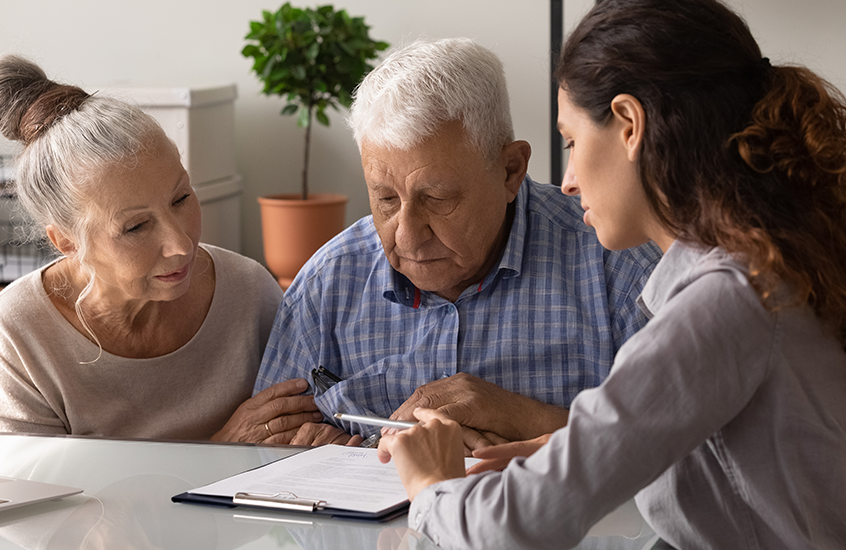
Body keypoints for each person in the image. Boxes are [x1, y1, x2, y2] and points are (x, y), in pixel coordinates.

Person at [376, 1, 846, 548]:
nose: (567, 180)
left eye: (571, 142)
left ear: (628, 124)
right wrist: (567, 449)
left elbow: (507, 530)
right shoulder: (764, 274)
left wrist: (430, 483)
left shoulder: (726, 301)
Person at [252, 38, 661, 447]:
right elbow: (258, 456)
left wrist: (523, 418)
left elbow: (681, 454)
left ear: (510, 170)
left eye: (437, 199)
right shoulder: (328, 283)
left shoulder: (620, 268)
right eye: (386, 200)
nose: (408, 234)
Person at [0, 54, 317, 442]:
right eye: (135, 226)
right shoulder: (19, 331)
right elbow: (34, 492)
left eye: (182, 198)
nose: (181, 243)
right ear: (66, 241)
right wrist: (221, 448)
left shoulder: (249, 292)